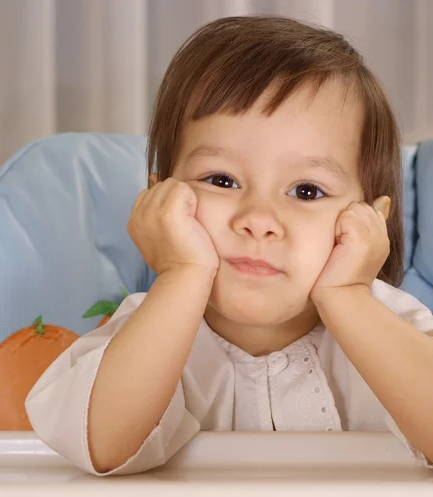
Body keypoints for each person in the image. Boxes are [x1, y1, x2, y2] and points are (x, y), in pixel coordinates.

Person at [25, 15, 433, 476]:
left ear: (369, 223)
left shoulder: (395, 328)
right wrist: (183, 274)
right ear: (162, 201)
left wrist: (347, 296)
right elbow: (100, 447)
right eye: (222, 180)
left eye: (306, 191)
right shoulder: (150, 329)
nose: (258, 220)